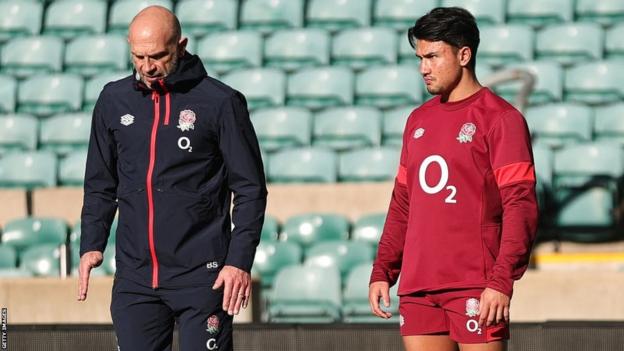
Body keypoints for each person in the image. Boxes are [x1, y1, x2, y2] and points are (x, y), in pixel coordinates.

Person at [76, 6, 267, 351]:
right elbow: (100, 183)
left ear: (181, 46)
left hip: (203, 276)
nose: (147, 67)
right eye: (138, 56)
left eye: (158, 56)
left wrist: (239, 261)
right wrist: (92, 242)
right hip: (135, 278)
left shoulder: (221, 102)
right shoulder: (112, 100)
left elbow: (251, 189)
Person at [368, 7, 538, 351]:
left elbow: (520, 206)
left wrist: (503, 280)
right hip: (418, 286)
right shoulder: (417, 120)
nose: (423, 68)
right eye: (419, 57)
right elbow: (403, 204)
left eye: (432, 56)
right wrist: (383, 270)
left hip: (476, 283)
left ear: (464, 54)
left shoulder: (501, 119)